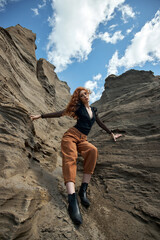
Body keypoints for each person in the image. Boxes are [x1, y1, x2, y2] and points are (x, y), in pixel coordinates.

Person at [30, 87, 122, 225]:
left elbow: (100, 123)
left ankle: (82, 191)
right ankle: (72, 200)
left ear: (89, 95)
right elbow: (61, 113)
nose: (85, 96)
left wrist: (111, 133)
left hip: (83, 139)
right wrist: (40, 116)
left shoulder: (94, 110)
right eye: (82, 95)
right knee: (70, 159)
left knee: (93, 151)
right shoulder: (78, 108)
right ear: (79, 98)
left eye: (86, 93)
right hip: (70, 137)